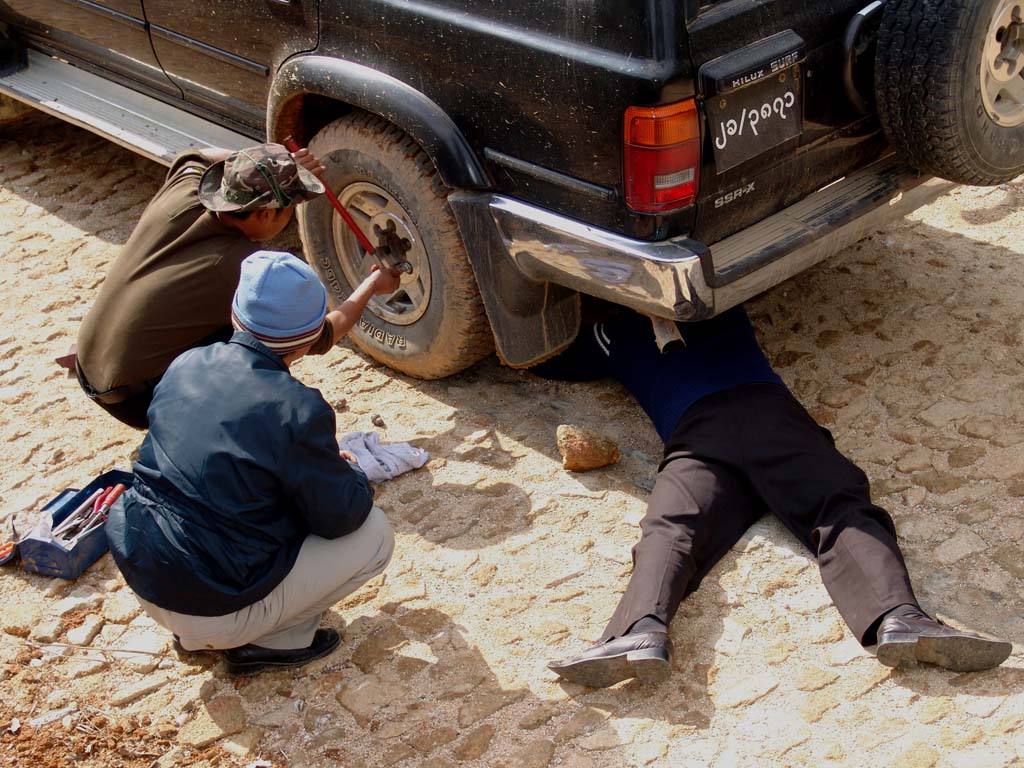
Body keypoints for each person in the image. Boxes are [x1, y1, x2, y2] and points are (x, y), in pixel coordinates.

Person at [537, 305, 1011, 687]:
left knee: (672, 529)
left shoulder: (610, 336)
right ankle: (897, 616)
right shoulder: (718, 304)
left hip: (699, 441)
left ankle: (639, 630)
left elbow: (541, 356)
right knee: (839, 508)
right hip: (772, 419)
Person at [105, 251, 395, 675]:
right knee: (374, 536)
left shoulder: (186, 364)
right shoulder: (297, 410)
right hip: (213, 605)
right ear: (308, 337)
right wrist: (345, 471)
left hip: (147, 570)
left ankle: (200, 631)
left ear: (235, 312)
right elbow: (342, 517)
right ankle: (272, 641)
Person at [75, 142, 400, 428]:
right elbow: (318, 335)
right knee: (265, 339)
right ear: (264, 215)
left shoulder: (187, 188)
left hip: (89, 361)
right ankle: (189, 423)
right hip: (133, 399)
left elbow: (203, 154)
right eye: (291, 208)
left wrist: (273, 164)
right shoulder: (238, 267)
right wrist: (371, 285)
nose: (292, 214)